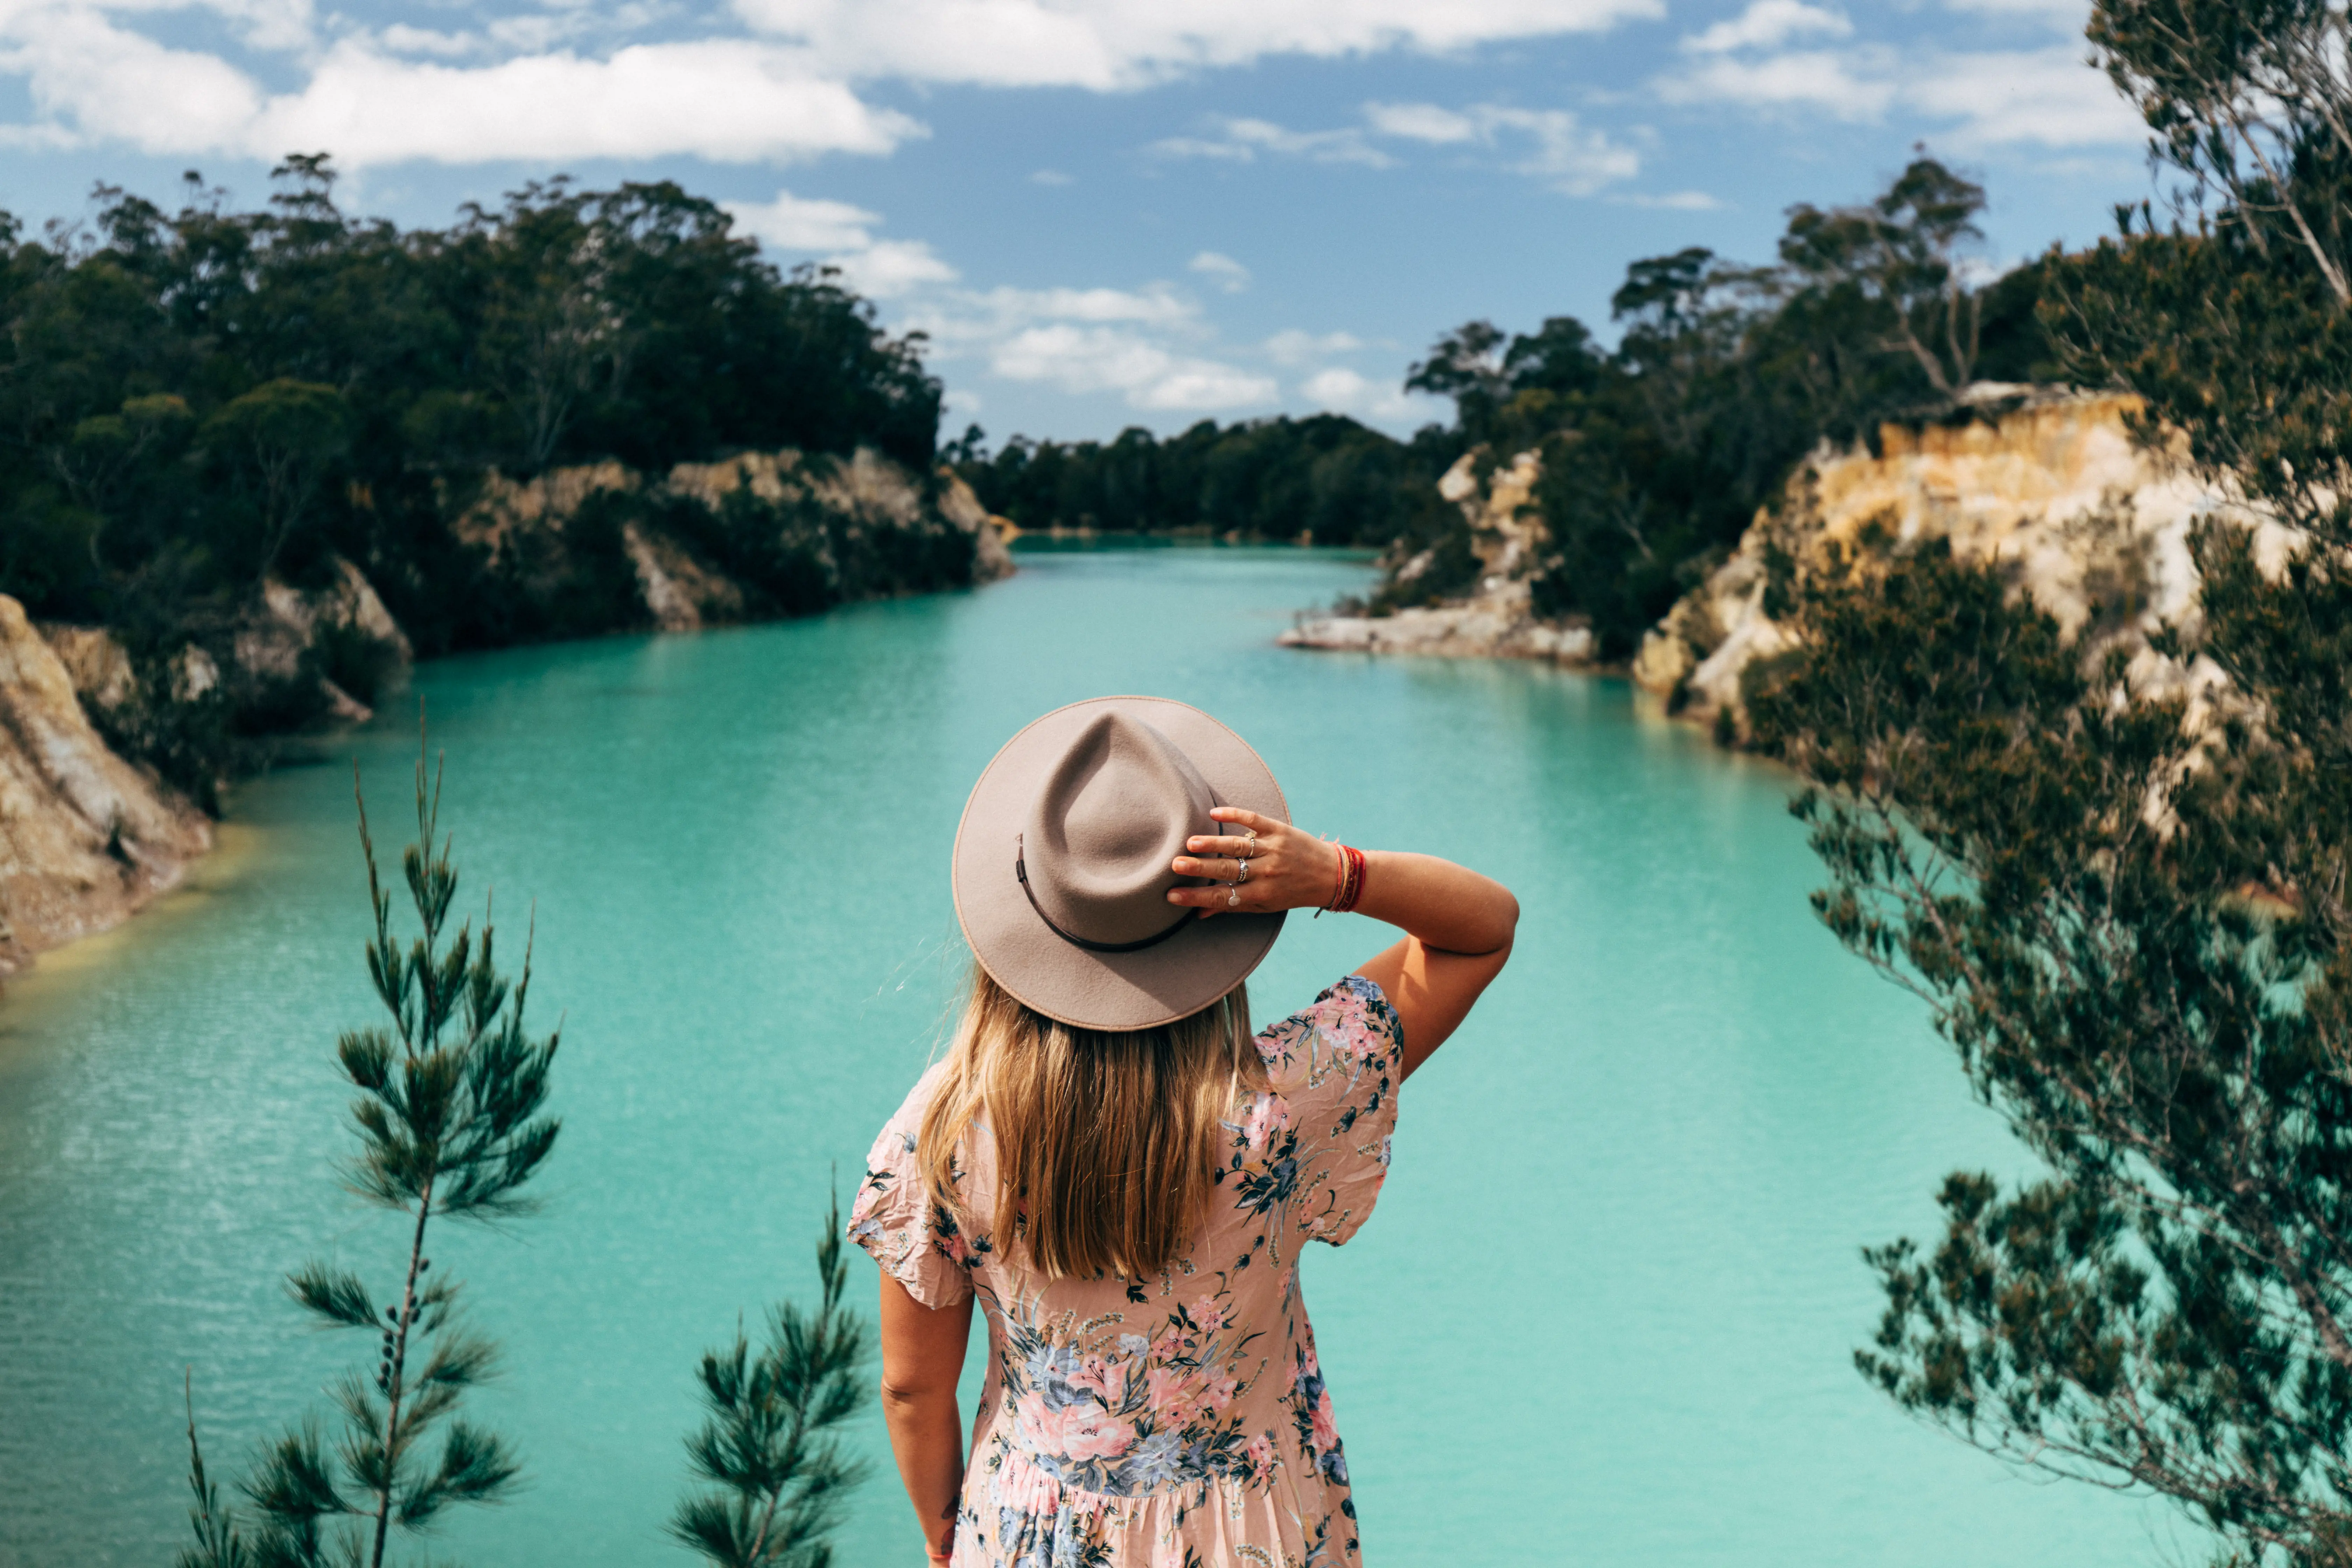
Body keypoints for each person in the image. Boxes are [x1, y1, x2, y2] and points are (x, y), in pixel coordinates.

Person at [849, 696, 1517, 1566]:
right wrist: (1336, 874)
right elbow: (1481, 930)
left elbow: (912, 1387)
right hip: (1258, 1530)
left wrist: (950, 1532)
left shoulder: (937, 1132)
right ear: (1222, 926)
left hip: (1030, 1530)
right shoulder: (1288, 1102)